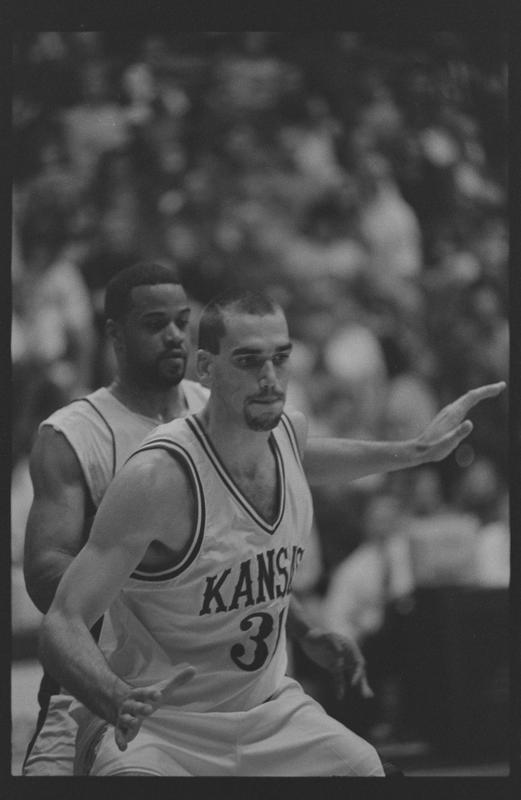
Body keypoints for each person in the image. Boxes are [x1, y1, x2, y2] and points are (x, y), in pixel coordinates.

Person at [39, 288, 505, 776]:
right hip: (160, 724)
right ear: (206, 368)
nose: (269, 377)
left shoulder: (286, 436)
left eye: (280, 358)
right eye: (248, 360)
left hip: (268, 713)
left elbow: (311, 456)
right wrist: (114, 696)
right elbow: (61, 623)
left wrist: (415, 451)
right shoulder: (158, 477)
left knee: (370, 769)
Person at [22, 262, 209, 775]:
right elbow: (44, 574)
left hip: (207, 673)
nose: (175, 336)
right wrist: (163, 595)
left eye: (182, 321)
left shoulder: (217, 414)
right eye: (155, 324)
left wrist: (305, 628)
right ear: (115, 335)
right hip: (94, 679)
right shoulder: (71, 434)